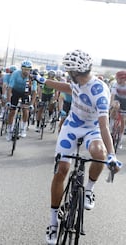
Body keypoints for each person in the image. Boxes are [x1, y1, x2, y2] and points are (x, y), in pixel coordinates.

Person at [34, 49, 123, 245]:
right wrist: (43, 81)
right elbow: (67, 87)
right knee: (62, 170)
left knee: (98, 153)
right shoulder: (76, 82)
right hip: (72, 127)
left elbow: (104, 126)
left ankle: (89, 189)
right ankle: (53, 223)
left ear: (75, 72)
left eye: (68, 71)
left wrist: (112, 154)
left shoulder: (100, 91)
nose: (67, 73)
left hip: (93, 129)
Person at [5, 60, 37, 140]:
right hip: (15, 91)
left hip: (25, 92)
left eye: (28, 69)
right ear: (21, 69)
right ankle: (9, 129)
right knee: (12, 110)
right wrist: (8, 101)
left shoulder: (32, 77)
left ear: (30, 70)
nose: (26, 71)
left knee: (25, 110)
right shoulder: (15, 73)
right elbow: (10, 88)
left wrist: (31, 104)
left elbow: (34, 92)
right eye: (24, 69)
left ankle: (23, 128)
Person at [109, 70, 126, 149]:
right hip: (117, 99)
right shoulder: (115, 84)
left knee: (123, 120)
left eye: (118, 79)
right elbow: (112, 95)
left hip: (125, 102)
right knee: (115, 106)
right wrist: (111, 105)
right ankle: (111, 126)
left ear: (123, 79)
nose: (117, 80)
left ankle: (120, 138)